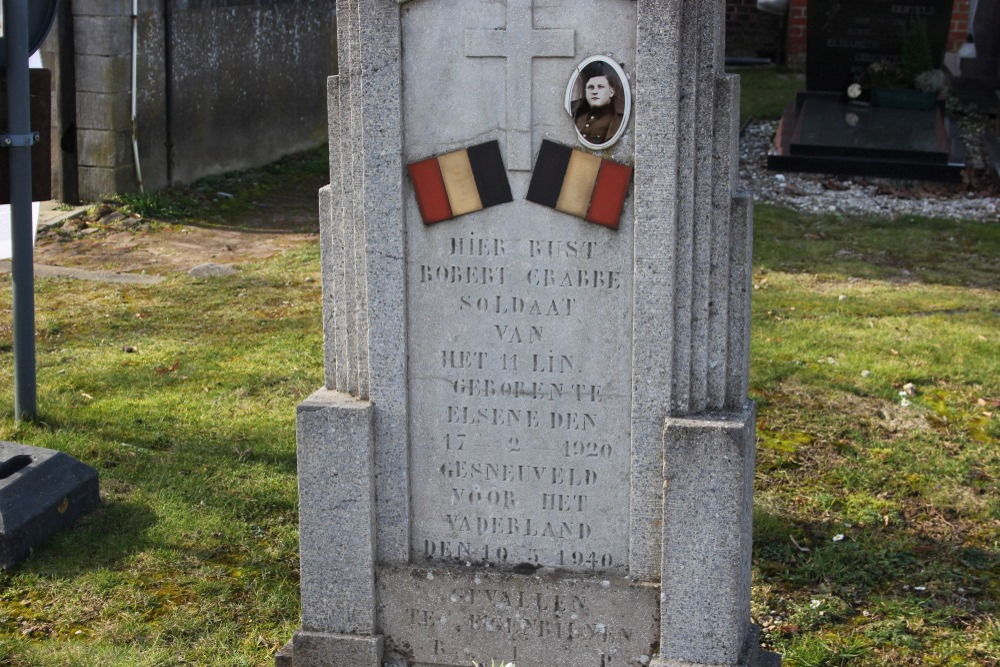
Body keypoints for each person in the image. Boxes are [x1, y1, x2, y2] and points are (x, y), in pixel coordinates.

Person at [573, 64, 625, 146]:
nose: (594, 91)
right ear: (585, 91)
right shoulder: (577, 114)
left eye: (600, 87)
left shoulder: (617, 118)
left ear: (611, 92)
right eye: (590, 87)